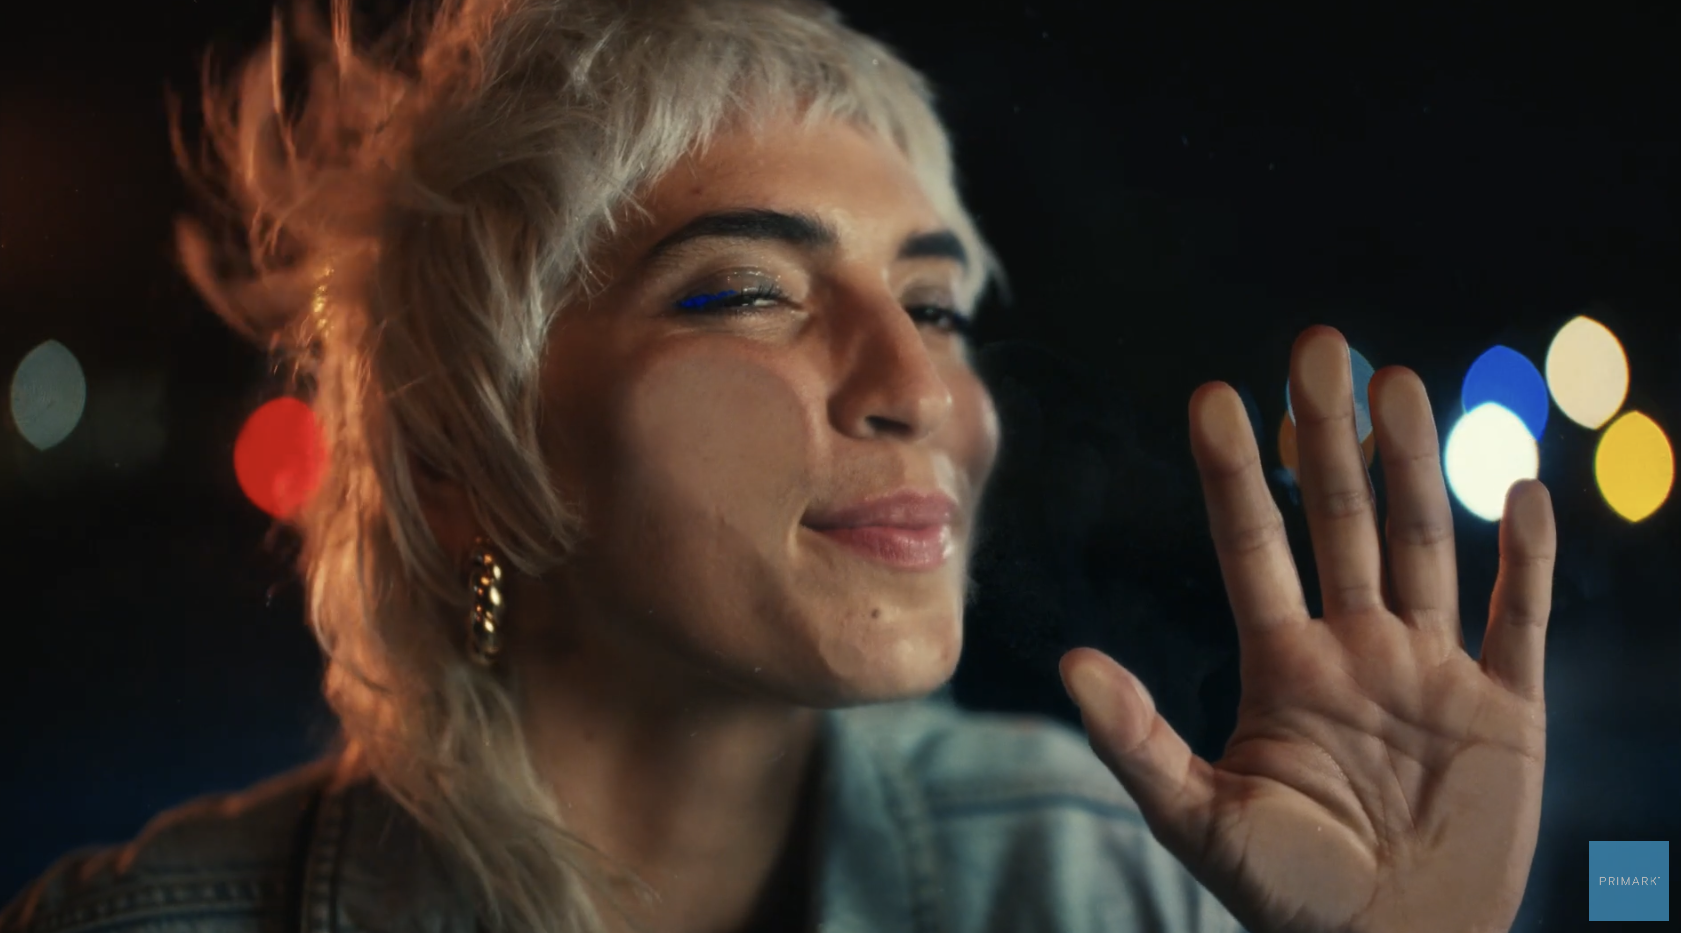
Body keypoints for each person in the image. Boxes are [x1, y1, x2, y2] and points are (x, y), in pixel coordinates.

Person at [0, 0, 1558, 931]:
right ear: (463, 448)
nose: (922, 389)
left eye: (934, 306)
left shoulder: (1107, 888)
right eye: (748, 290)